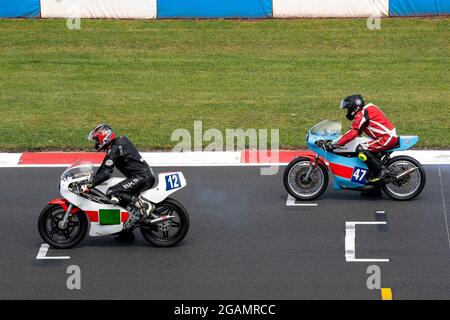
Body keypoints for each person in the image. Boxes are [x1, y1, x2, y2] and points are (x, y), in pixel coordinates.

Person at [84, 124, 156, 229]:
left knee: (113, 192)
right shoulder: (117, 145)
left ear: (104, 136)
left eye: (96, 140)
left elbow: (105, 172)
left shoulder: (116, 148)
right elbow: (104, 167)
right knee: (120, 201)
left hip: (142, 177)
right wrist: (93, 178)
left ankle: (145, 205)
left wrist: (89, 185)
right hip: (142, 176)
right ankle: (126, 231)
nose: (96, 143)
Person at [326, 95, 399, 183]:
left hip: (387, 138)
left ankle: (382, 170)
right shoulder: (368, 109)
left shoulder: (362, 114)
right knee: (369, 154)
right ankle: (374, 188)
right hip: (385, 136)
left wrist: (335, 144)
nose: (348, 111)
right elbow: (357, 131)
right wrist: (340, 139)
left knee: (361, 149)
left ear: (354, 107)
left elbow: (353, 133)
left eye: (348, 108)